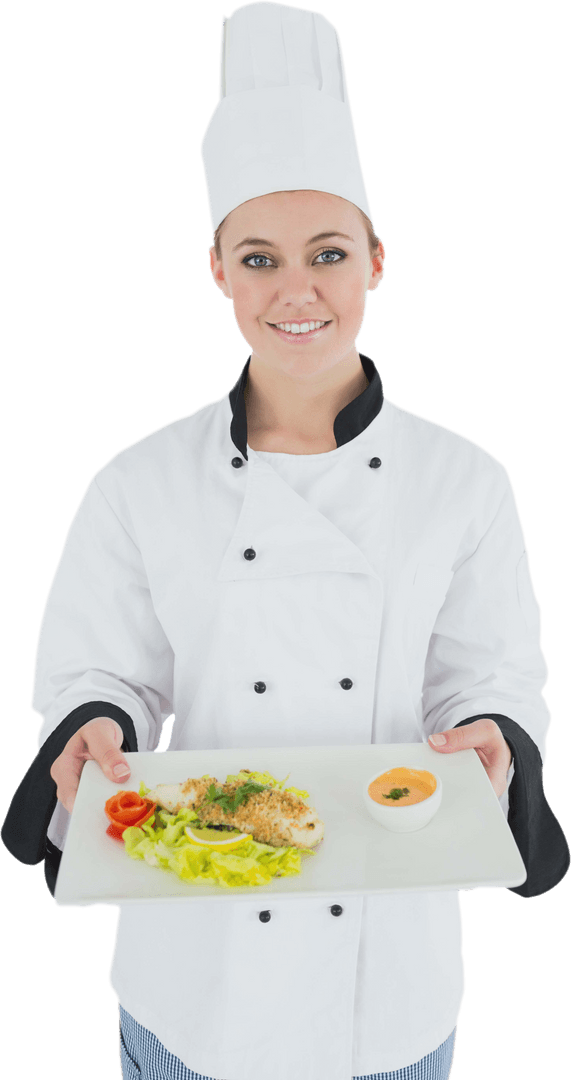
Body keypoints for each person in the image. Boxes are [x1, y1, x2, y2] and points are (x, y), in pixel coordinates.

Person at [1, 4, 568, 1080]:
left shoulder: (465, 481)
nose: (294, 289)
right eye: (258, 257)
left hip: (387, 977)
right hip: (192, 968)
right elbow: (97, 668)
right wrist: (94, 726)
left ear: (378, 261)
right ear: (216, 268)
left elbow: (489, 677)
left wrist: (489, 736)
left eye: (327, 253)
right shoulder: (139, 480)